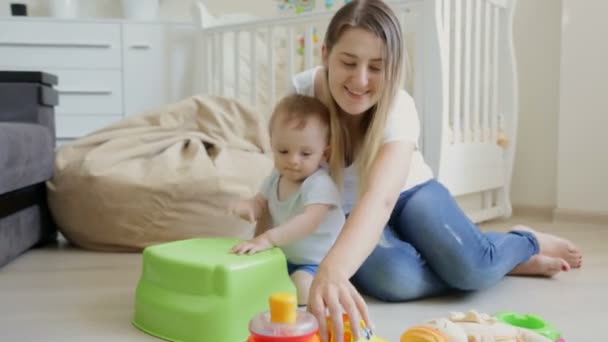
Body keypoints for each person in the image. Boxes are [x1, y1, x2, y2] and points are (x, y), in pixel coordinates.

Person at [288, 1, 584, 341]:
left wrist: (334, 270)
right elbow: (289, 175)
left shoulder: (399, 107)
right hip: (351, 212)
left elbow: (381, 197)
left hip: (410, 193)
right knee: (394, 278)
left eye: (377, 67)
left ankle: (521, 244)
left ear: (394, 67)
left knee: (472, 268)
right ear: (325, 54)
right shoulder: (302, 96)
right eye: (348, 63)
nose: (361, 80)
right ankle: (490, 262)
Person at [230, 94, 345, 306]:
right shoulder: (276, 176)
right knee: (244, 276)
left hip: (316, 263)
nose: (293, 160)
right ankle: (277, 286)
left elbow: (308, 222)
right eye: (283, 151)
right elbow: (260, 201)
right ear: (272, 145)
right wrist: (247, 205)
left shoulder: (319, 184)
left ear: (324, 155)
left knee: (302, 290)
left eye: (306, 153)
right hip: (282, 257)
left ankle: (318, 288)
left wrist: (268, 239)